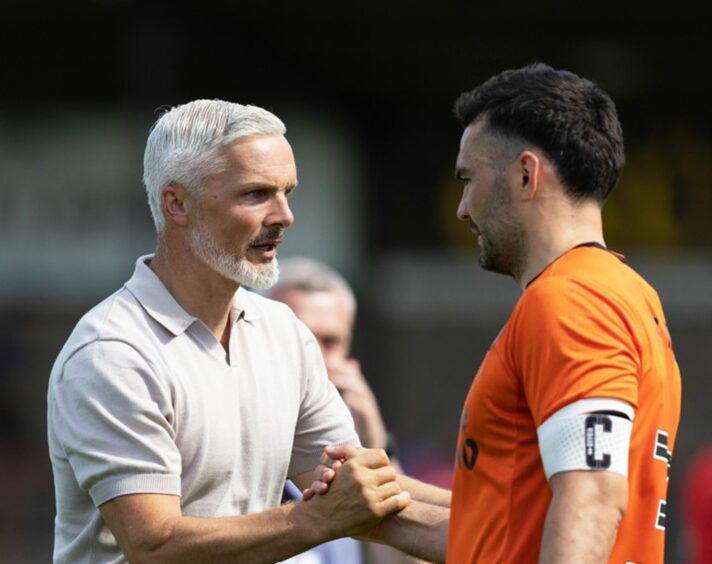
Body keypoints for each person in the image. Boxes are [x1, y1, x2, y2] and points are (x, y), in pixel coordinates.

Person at [46, 99, 448, 563]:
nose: (284, 215)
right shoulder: (112, 353)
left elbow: (365, 499)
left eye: (287, 192)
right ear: (176, 203)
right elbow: (154, 546)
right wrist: (313, 519)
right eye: (256, 194)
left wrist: (521, 522)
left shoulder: (282, 332)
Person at [315, 63, 681, 563]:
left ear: (527, 175)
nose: (463, 207)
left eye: (469, 179)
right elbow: (503, 529)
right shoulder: (623, 294)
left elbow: (592, 496)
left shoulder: (572, 300)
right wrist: (377, 506)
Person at [268, 257, 414, 564]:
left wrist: (378, 448)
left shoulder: (355, 445)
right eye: (301, 339)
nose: (316, 359)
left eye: (330, 342)